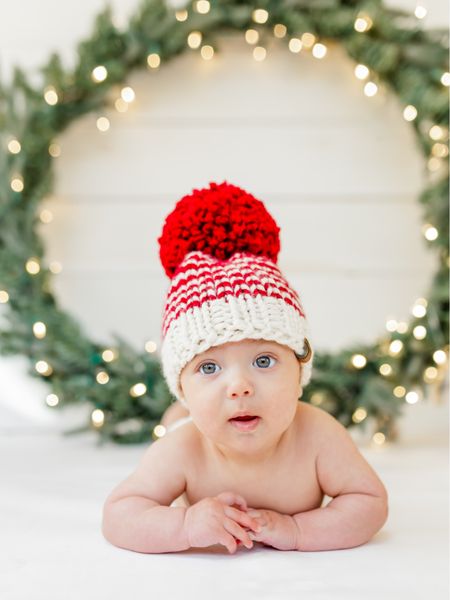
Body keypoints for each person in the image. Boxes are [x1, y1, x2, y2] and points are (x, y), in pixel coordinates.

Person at [102, 181, 388, 554]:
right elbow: (118, 515)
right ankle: (177, 412)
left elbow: (370, 502)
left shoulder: (318, 437)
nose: (239, 386)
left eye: (263, 360)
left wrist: (297, 530)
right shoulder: (184, 449)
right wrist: (186, 525)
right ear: (182, 387)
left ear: (300, 373)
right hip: (188, 422)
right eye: (208, 367)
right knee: (176, 425)